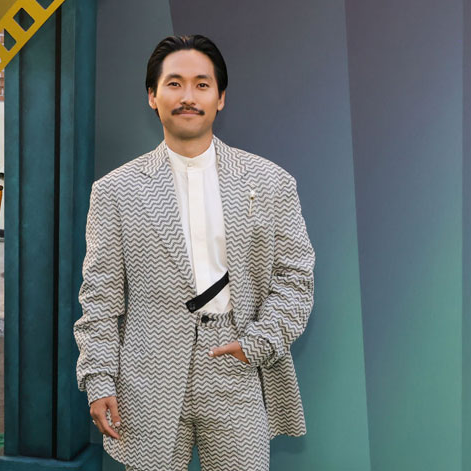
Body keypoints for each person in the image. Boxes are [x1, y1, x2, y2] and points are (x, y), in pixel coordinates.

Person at [74, 34, 315, 471]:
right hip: (146, 373)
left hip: (237, 363)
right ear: (152, 95)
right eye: (174, 84)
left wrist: (256, 344)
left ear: (221, 98)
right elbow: (100, 298)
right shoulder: (115, 191)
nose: (188, 97)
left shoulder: (271, 181)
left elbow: (296, 280)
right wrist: (98, 378)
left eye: (202, 85)